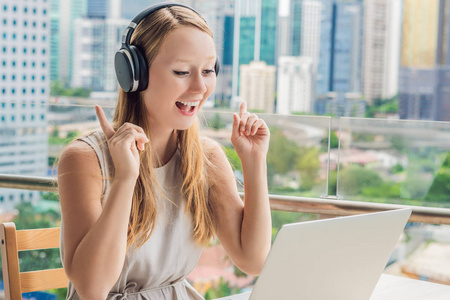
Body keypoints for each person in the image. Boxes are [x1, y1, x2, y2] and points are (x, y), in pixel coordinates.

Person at [57, 3, 271, 299]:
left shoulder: (205, 157)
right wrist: (125, 178)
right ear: (134, 74)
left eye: (208, 70)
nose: (200, 87)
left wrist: (254, 162)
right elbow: (92, 288)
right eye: (182, 71)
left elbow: (253, 260)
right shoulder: (85, 159)